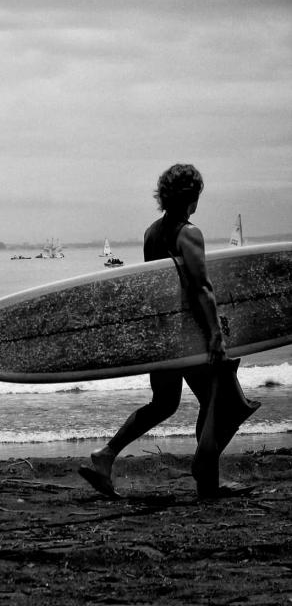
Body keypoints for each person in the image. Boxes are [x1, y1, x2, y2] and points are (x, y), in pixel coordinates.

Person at [79, 163, 259, 500]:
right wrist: (215, 335)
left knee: (164, 403)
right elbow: (201, 287)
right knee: (220, 401)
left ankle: (105, 456)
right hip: (186, 337)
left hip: (161, 335)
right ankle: (206, 478)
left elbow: (160, 286)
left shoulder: (151, 233)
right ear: (193, 198)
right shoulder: (189, 233)